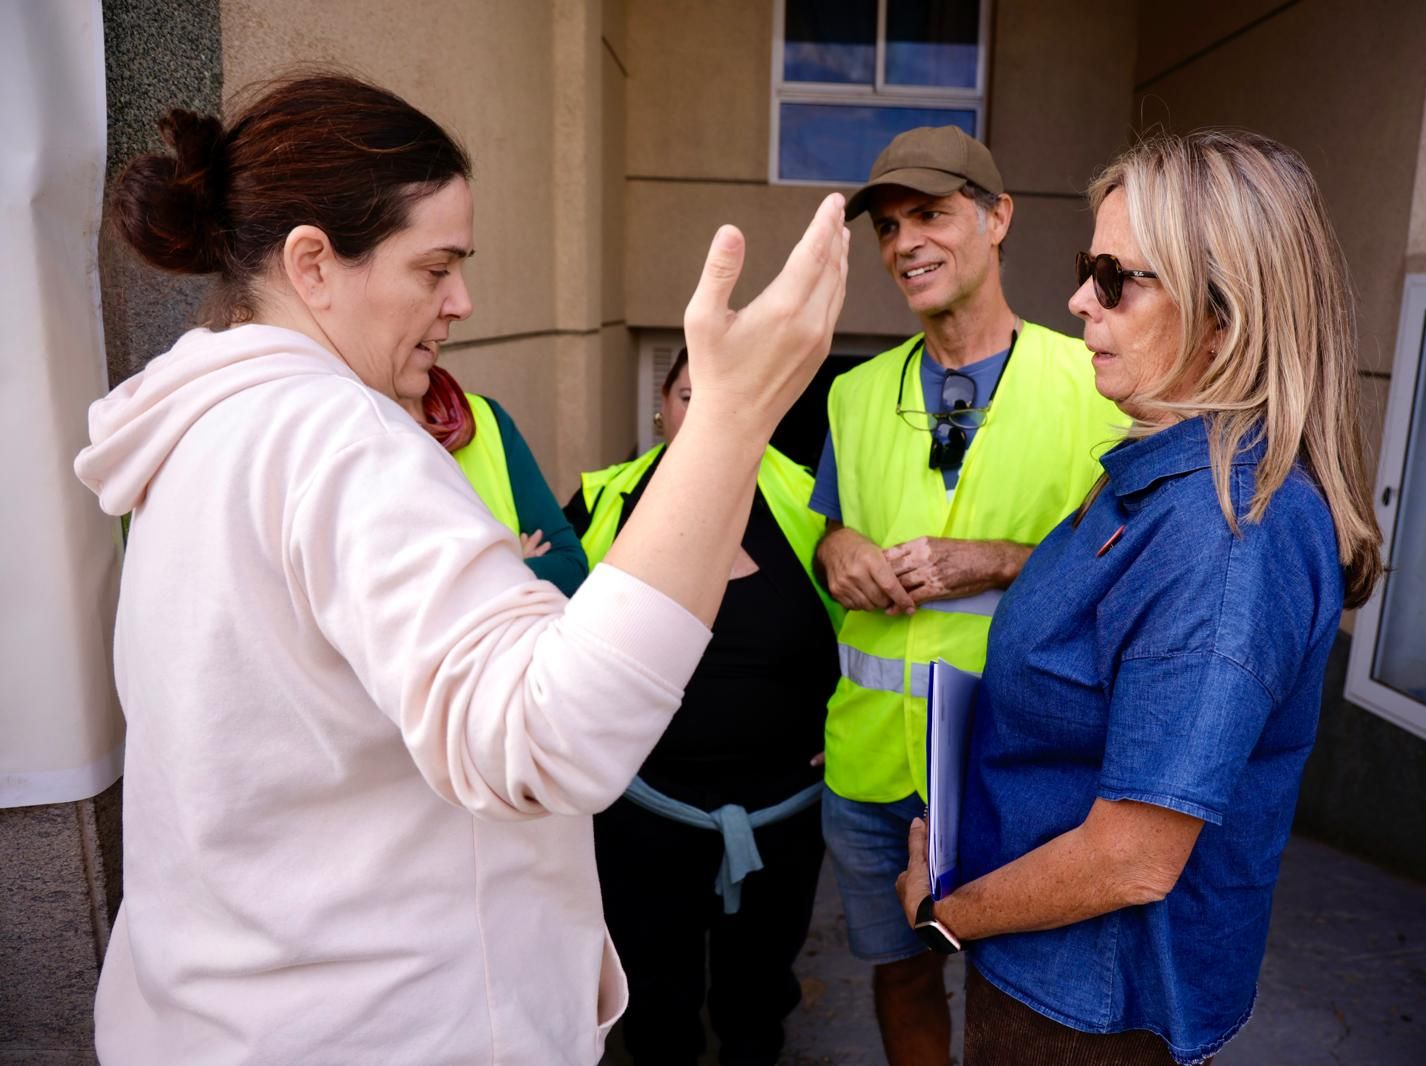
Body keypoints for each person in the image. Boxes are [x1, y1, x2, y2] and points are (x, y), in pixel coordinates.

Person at [74, 73, 849, 1065]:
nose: (462, 301)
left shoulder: (195, 434)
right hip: (383, 1031)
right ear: (313, 262)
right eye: (434, 268)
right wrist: (736, 415)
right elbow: (550, 736)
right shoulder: (336, 436)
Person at [893, 129, 1384, 1065]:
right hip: (1046, 976)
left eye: (1116, 278)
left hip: (1089, 1011)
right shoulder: (1161, 479)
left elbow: (1131, 857)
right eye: (1089, 267)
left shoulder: (1225, 539)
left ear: (1224, 319)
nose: (1080, 298)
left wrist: (946, 918)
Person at [809, 124, 1125, 1064]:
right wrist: (840, 547)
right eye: (891, 225)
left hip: (1018, 765)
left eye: (933, 215)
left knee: (1019, 991)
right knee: (902, 976)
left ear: (998, 219)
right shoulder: (853, 394)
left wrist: (995, 558)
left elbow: (1132, 569)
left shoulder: (1095, 384)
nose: (906, 242)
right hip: (869, 770)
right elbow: (829, 534)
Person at [564, 348, 842, 1066]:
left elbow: (866, 624)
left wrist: (843, 720)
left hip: (782, 817)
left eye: (729, 400)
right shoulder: (603, 503)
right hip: (643, 815)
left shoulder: (812, 503)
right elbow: (552, 631)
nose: (707, 418)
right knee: (657, 999)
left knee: (758, 999)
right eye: (692, 396)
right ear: (662, 403)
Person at [407, 364, 586, 594]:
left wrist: (491, 576)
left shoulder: (484, 417)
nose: (445, 328)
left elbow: (571, 567)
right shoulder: (358, 435)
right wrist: (513, 567)